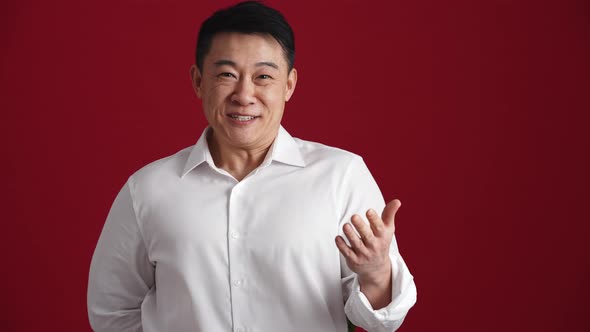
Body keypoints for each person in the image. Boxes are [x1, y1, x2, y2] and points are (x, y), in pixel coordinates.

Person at [87, 2, 416, 331]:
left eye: (263, 77)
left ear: (288, 85)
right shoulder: (148, 189)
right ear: (199, 81)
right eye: (227, 74)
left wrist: (375, 274)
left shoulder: (340, 177)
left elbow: (383, 322)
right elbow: (111, 311)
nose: (244, 95)